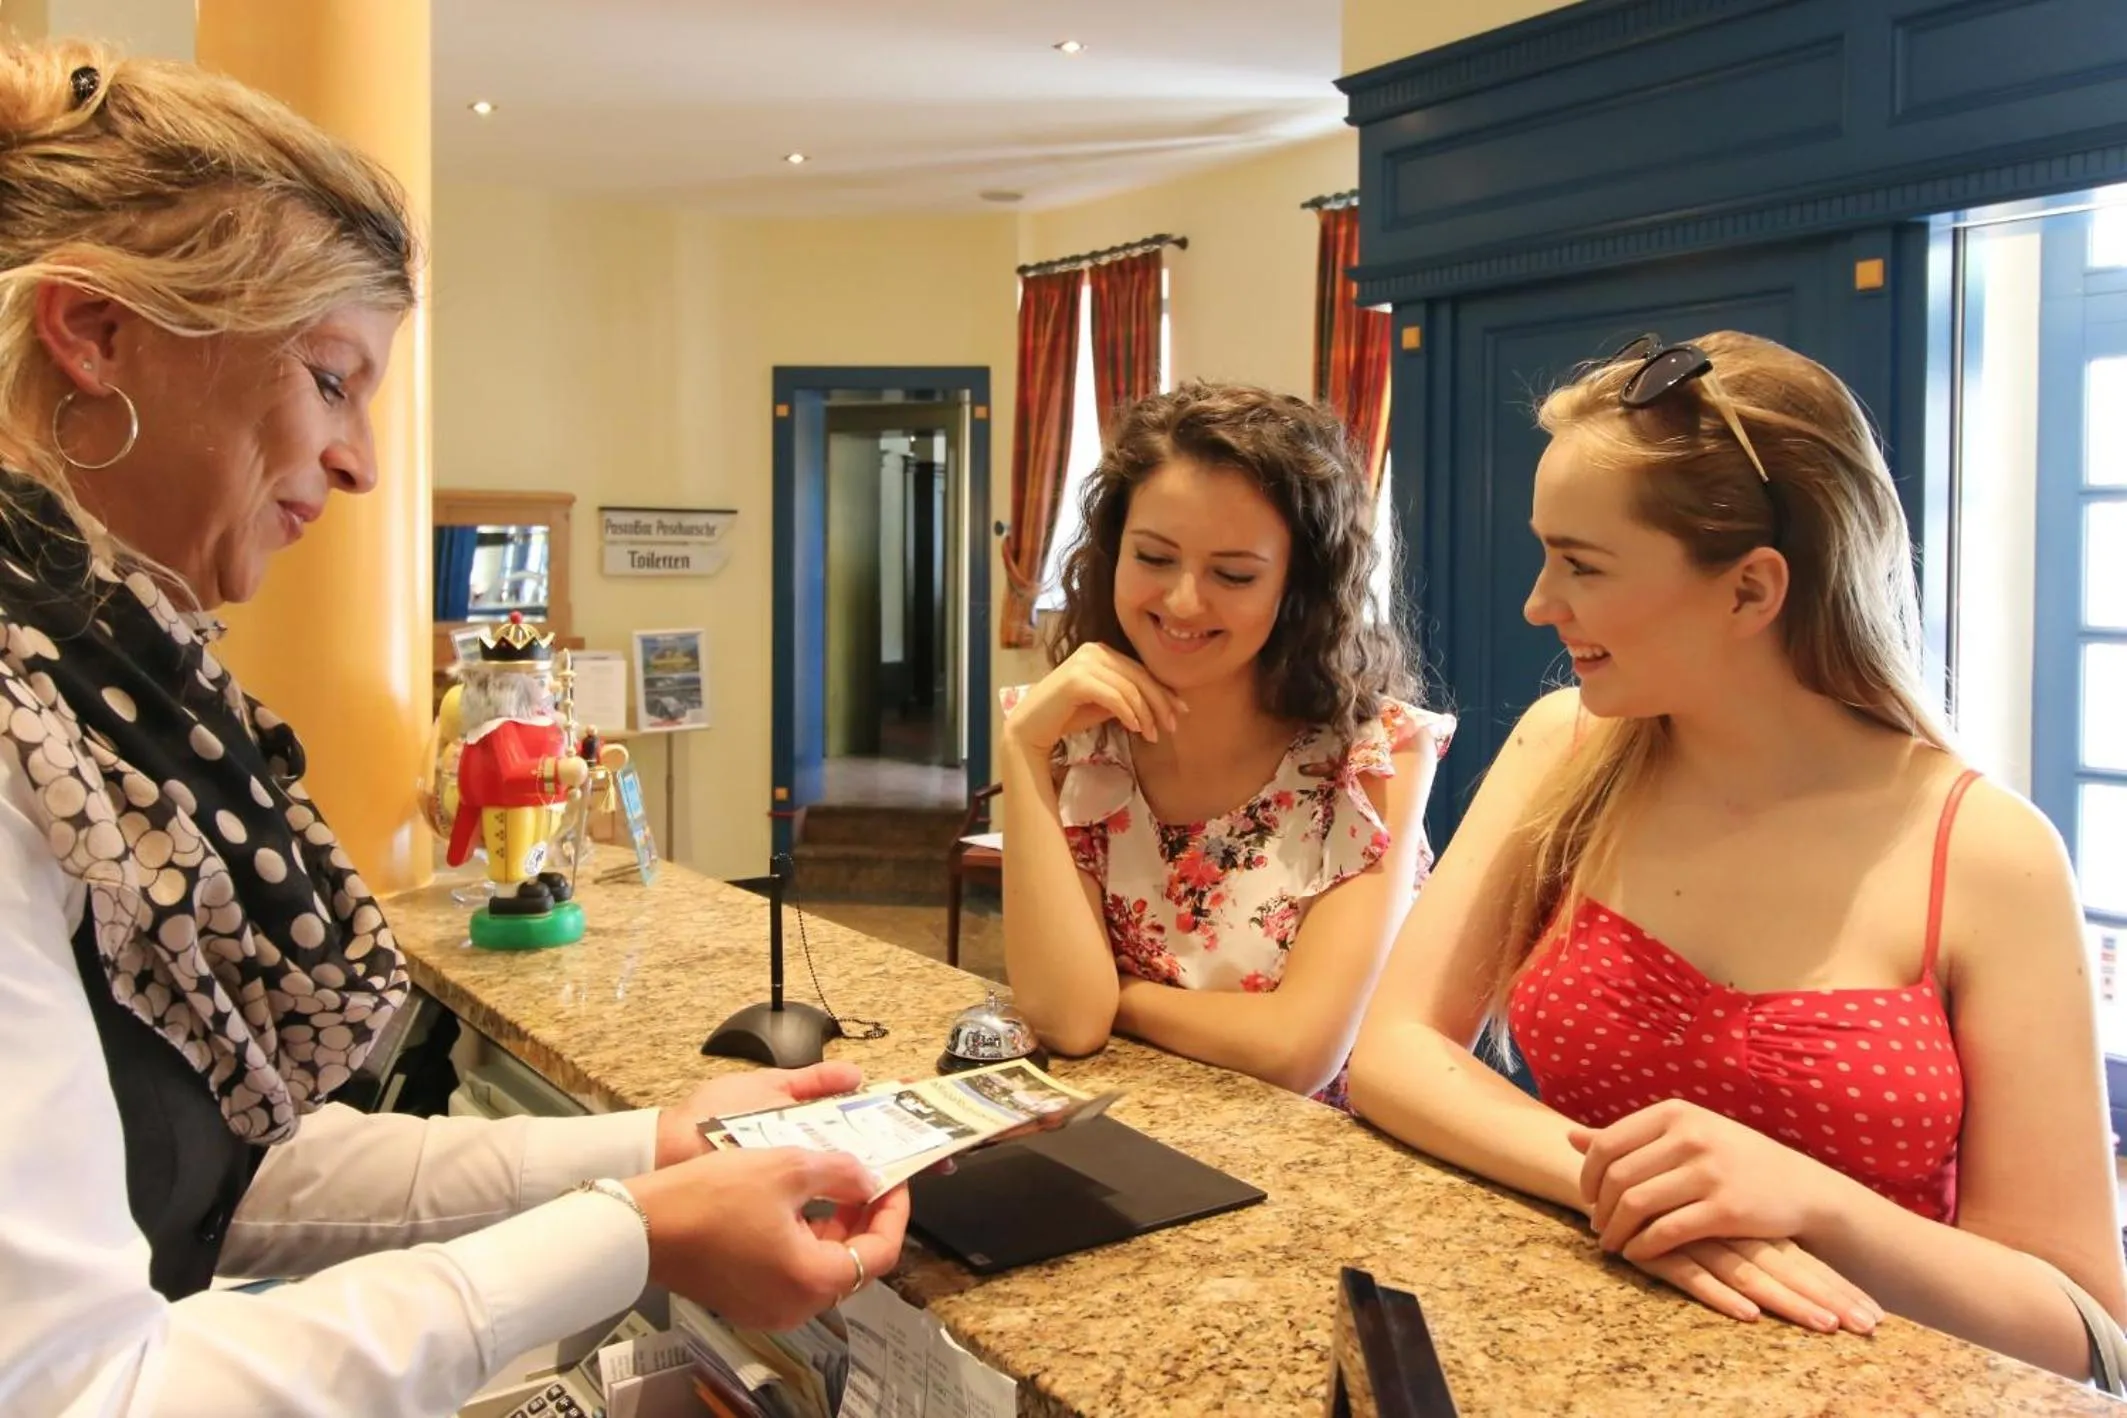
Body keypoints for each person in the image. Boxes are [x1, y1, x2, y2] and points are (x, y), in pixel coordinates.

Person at [0, 40, 906, 1416]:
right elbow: (76, 1391)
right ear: (96, 333)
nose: (363, 460)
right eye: (329, 376)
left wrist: (653, 1147)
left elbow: (232, 1174)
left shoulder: (85, 692)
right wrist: (635, 1233)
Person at [1348, 331, 2127, 1379]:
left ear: (1752, 590)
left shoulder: (1989, 852)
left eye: (1581, 563)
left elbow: (2082, 1324)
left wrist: (1807, 1198)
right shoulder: (1560, 749)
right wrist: (1626, 1184)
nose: (1539, 601)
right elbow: (1395, 1049)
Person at [1001, 382, 1453, 1105]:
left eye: (1233, 574)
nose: (1182, 602)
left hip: (1330, 1181)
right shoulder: (1067, 735)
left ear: (1297, 588)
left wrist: (1117, 993)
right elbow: (1065, 1023)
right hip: (1128, 1144)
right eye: (1152, 558)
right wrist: (1021, 751)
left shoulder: (1376, 756)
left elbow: (1294, 1054)